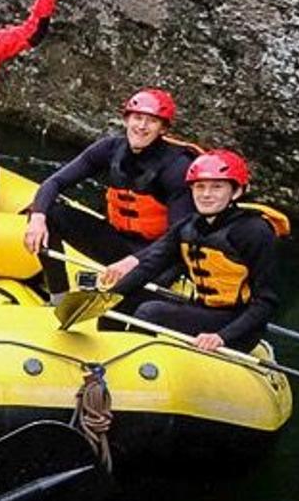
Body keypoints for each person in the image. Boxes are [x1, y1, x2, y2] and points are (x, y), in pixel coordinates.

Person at [100, 149, 289, 351]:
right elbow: (149, 266)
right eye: (200, 187)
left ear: (236, 192)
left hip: (237, 326)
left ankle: (136, 366)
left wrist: (221, 337)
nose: (206, 194)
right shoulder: (188, 226)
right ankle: (99, 357)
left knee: (150, 312)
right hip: (201, 310)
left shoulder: (254, 231)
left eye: (217, 187)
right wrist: (104, 299)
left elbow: (266, 301)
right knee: (125, 299)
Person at [24, 86, 194, 264]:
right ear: (126, 120)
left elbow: (176, 237)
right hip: (115, 239)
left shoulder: (177, 167)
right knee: (48, 212)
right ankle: (58, 291)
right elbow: (55, 182)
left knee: (137, 283)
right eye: (137, 118)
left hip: (154, 254)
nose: (142, 126)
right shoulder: (109, 149)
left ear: (163, 129)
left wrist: (133, 262)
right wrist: (38, 217)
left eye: (152, 121)